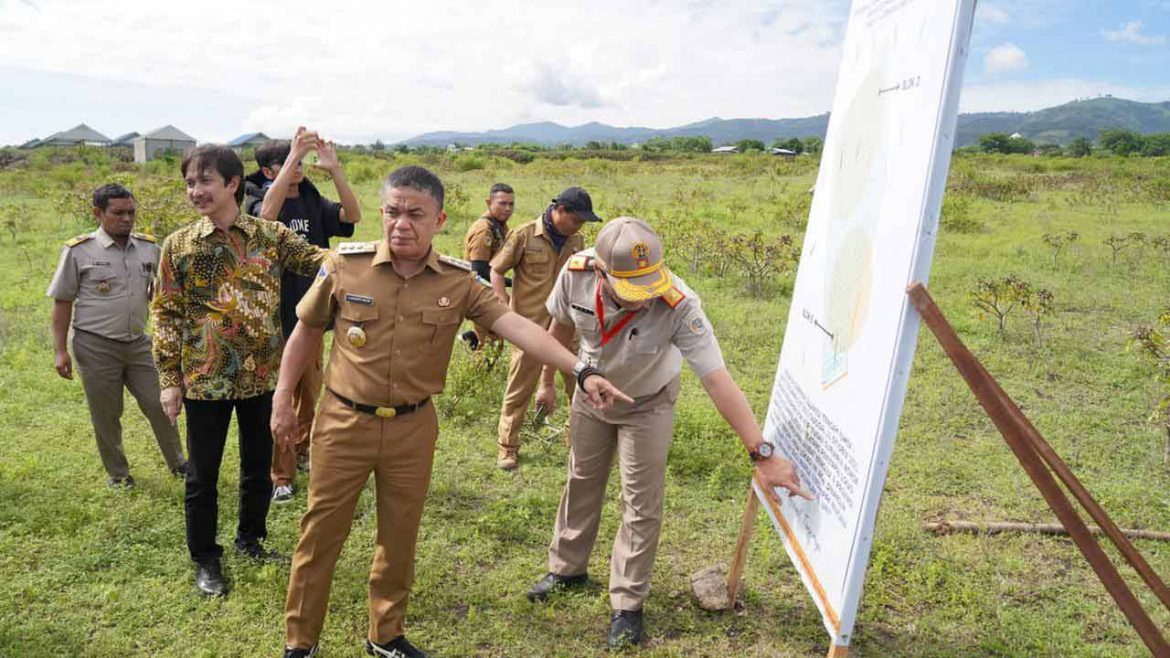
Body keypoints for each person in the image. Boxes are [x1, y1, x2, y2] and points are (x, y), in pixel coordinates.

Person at [272, 166, 629, 658]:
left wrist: (581, 370)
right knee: (320, 536)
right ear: (382, 212)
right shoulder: (343, 266)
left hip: (413, 428)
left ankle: (385, 635)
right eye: (393, 211)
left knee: (399, 537)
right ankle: (300, 643)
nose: (401, 223)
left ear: (438, 219)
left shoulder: (459, 282)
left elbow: (516, 326)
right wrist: (282, 398)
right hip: (342, 423)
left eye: (415, 214)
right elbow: (306, 331)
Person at [527, 217, 813, 649]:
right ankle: (567, 569)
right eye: (633, 289)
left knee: (641, 500)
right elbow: (560, 331)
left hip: (648, 403)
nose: (647, 298)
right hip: (590, 395)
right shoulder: (576, 273)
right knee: (581, 481)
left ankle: (627, 603)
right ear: (602, 272)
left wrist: (761, 450)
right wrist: (547, 381)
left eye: (650, 284)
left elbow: (718, 380)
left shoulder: (679, 303)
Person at [152, 144, 326, 599]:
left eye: (205, 180)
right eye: (190, 182)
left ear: (232, 184)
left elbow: (320, 260)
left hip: (263, 377)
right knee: (202, 476)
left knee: (256, 468)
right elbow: (166, 314)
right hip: (205, 379)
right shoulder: (179, 246)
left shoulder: (270, 236)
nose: (196, 191)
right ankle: (206, 559)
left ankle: (251, 540)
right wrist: (170, 380)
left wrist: (379, 254)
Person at [243, 128, 363, 504]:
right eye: (288, 162)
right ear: (268, 171)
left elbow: (352, 215)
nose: (298, 168)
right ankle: (280, 475)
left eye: (300, 162)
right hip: (271, 319)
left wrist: (334, 169)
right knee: (279, 396)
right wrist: (295, 156)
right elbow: (266, 217)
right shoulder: (257, 200)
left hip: (309, 317)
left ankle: (303, 451)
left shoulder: (312, 199)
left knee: (309, 395)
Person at [47, 183, 186, 488]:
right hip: (95, 345)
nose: (126, 219)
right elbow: (62, 301)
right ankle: (119, 475)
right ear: (98, 213)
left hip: (138, 344)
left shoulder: (150, 248)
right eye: (118, 213)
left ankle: (179, 463)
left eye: (131, 212)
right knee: (107, 414)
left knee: (160, 404)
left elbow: (158, 296)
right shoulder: (79, 251)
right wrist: (60, 350)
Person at [488, 186, 601, 470]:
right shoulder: (524, 235)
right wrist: (501, 304)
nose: (580, 226)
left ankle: (576, 439)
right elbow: (497, 269)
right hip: (529, 330)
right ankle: (507, 447)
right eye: (576, 219)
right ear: (560, 210)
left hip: (568, 328)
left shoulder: (577, 240)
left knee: (581, 387)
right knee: (519, 391)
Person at [458, 182, 514, 351]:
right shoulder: (484, 230)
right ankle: (477, 373)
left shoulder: (499, 225)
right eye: (502, 203)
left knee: (496, 337)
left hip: (489, 288)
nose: (508, 208)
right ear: (489, 203)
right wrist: (511, 281)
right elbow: (479, 270)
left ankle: (471, 338)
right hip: (479, 291)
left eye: (511, 204)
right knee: (493, 344)